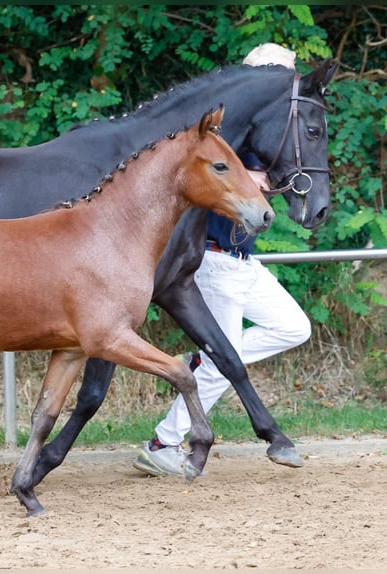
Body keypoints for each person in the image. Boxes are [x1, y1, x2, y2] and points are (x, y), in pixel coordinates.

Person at [133, 43, 312, 478]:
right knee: (220, 362)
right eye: (282, 75)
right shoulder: (221, 132)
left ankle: (206, 359)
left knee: (294, 327)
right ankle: (162, 443)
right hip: (213, 261)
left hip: (244, 263)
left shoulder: (267, 133)